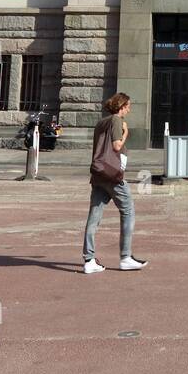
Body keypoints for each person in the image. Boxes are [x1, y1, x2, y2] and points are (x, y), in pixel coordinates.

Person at [82, 92, 147, 273]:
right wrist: (126, 132)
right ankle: (126, 256)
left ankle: (89, 260)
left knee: (94, 217)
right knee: (128, 210)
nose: (129, 109)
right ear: (121, 106)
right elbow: (116, 145)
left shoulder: (101, 122)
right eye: (127, 106)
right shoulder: (117, 121)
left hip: (98, 174)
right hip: (112, 175)